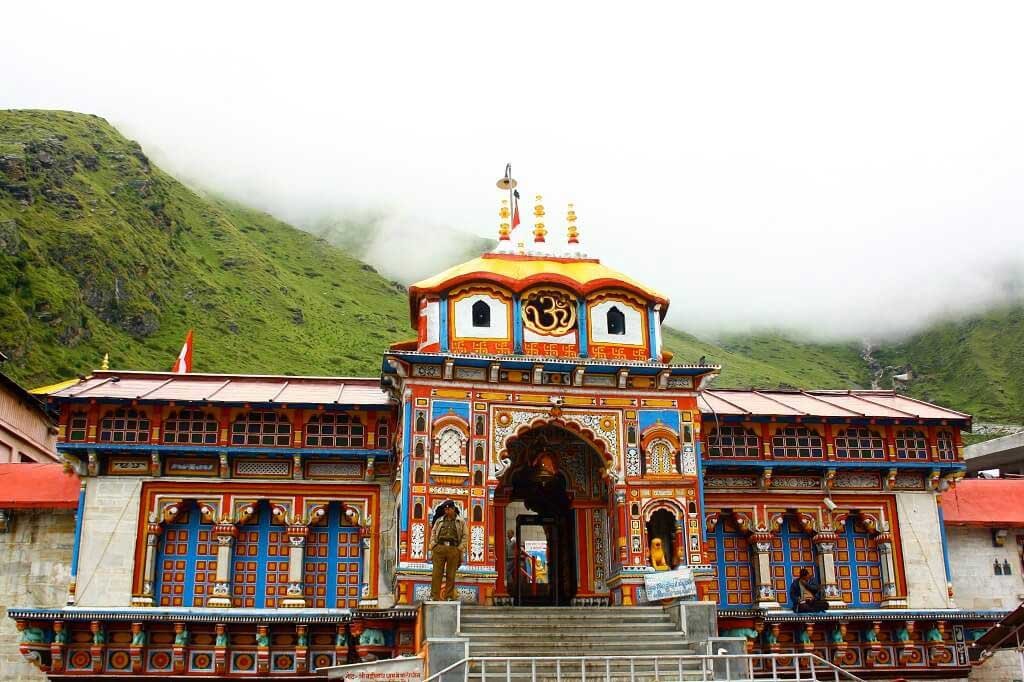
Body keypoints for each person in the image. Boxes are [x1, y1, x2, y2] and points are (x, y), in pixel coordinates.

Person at [428, 500, 467, 601]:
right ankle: (434, 596)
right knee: (437, 573)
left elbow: (465, 536)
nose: (446, 511)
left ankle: (449, 596)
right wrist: (433, 545)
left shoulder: (460, 521)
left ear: (453, 509)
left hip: (453, 549)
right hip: (439, 548)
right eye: (445, 509)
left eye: (448, 509)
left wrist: (459, 549)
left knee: (451, 574)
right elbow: (433, 532)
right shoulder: (439, 520)